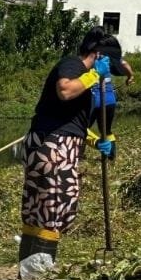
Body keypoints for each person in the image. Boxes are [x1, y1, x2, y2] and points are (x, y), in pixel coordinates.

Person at [19, 27, 119, 267]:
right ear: (97, 54)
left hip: (50, 145)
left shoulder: (85, 80)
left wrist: (98, 141)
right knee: (55, 208)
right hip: (53, 149)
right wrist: (94, 75)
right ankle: (38, 275)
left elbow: (72, 125)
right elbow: (64, 90)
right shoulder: (73, 65)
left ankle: (30, 273)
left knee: (40, 212)